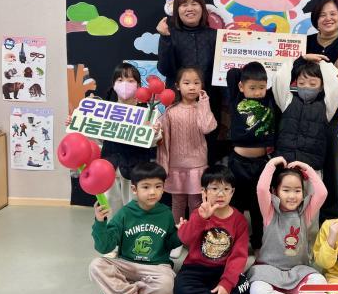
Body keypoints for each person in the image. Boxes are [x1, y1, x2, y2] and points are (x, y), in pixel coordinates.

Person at [296, 0, 338, 220]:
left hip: (337, 115)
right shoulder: (304, 42)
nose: (328, 18)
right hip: (306, 113)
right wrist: (302, 59)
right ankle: (298, 217)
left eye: (333, 14)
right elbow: (289, 74)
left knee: (333, 170)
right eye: (322, 14)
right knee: (303, 168)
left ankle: (330, 220)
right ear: (315, 19)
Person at [89, 162, 180, 294]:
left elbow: (170, 244)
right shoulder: (125, 213)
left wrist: (181, 233)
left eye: (158, 186)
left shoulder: (166, 213)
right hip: (127, 264)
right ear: (134, 189)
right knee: (96, 265)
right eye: (146, 187)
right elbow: (104, 247)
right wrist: (100, 223)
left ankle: (117, 293)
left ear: (163, 188)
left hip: (155, 267)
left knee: (168, 286)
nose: (152, 192)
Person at [273, 56, 338, 244]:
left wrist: (322, 63)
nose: (307, 87)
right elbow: (280, 78)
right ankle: (281, 246)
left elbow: (336, 84)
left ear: (321, 86)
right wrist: (301, 59)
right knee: (283, 208)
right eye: (302, 83)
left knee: (311, 212)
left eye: (313, 83)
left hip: (311, 169)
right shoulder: (287, 100)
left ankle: (309, 247)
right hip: (287, 168)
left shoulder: (327, 106)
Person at [172, 165, 259, 294]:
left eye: (226, 189)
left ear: (232, 192)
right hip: (196, 268)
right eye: (214, 188)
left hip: (222, 269)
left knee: (245, 288)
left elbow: (238, 256)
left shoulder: (239, 220)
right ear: (204, 192)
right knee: (180, 286)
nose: (221, 194)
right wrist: (202, 218)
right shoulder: (198, 213)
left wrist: (226, 283)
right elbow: (185, 238)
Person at [77, 63, 161, 215]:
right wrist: (79, 121)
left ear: (138, 85)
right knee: (111, 208)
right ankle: (112, 231)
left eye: (130, 81)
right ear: (114, 85)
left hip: (136, 167)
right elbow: (96, 138)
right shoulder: (105, 109)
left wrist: (154, 132)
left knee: (135, 208)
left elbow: (155, 141)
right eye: (120, 80)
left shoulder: (148, 111)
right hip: (109, 166)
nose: (125, 85)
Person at [247, 156, 328, 294]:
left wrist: (308, 169)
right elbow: (261, 189)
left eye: (297, 191)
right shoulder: (270, 211)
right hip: (269, 269)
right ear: (275, 191)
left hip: (299, 270)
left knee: (320, 283)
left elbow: (322, 193)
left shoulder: (305, 213)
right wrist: (271, 164)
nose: (292, 196)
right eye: (286, 190)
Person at [156, 0, 225, 165]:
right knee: (179, 148)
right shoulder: (170, 34)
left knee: (208, 148)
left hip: (209, 102)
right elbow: (165, 69)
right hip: (178, 102)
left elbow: (224, 69)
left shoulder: (215, 36)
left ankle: (206, 180)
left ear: (202, 8)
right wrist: (165, 38)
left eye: (194, 4)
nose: (189, 8)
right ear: (176, 10)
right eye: (183, 5)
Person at [157, 66, 217, 258]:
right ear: (177, 86)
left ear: (202, 86)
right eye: (187, 83)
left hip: (197, 164)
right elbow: (161, 139)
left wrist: (204, 103)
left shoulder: (202, 108)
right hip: (175, 165)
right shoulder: (170, 111)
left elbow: (207, 127)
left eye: (196, 83)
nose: (192, 87)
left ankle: (195, 237)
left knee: (196, 203)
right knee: (177, 203)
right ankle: (178, 238)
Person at [226, 62, 276, 252]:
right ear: (242, 86)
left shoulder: (269, 99)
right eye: (252, 88)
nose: (257, 92)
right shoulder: (236, 98)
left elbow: (280, 81)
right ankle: (235, 242)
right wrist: (249, 69)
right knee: (236, 204)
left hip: (262, 163)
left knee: (258, 205)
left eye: (261, 87)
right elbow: (232, 74)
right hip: (238, 163)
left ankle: (258, 244)